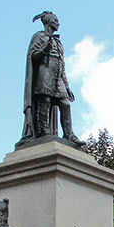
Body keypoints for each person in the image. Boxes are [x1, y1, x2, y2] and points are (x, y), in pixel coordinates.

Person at [16, 11, 85, 148]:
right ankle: (44, 131)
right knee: (45, 101)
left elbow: (62, 65)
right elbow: (33, 56)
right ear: (48, 22)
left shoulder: (58, 42)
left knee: (65, 104)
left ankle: (69, 134)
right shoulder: (39, 36)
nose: (58, 23)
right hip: (44, 72)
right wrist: (44, 50)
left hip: (57, 74)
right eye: (55, 20)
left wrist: (67, 85)